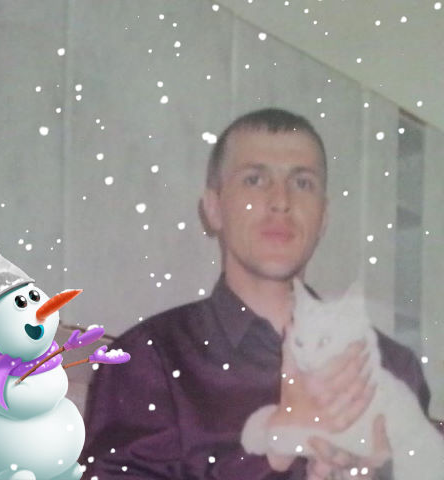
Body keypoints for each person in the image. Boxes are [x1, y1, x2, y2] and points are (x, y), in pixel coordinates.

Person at [80, 109, 430, 479]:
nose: (281, 201)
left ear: (323, 217)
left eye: (302, 183)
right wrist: (273, 453)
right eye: (255, 179)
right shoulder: (147, 360)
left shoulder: (392, 367)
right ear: (214, 209)